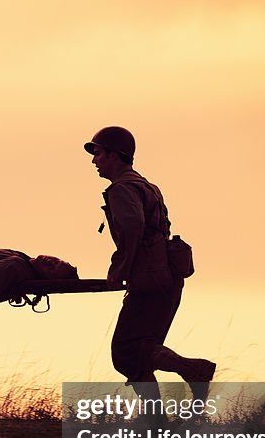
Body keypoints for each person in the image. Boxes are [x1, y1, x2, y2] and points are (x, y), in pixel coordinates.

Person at [85, 126, 216, 406]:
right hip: (163, 277)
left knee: (125, 352)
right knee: (139, 350)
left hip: (150, 279)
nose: (94, 160)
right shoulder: (145, 185)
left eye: (98, 153)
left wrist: (119, 268)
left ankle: (195, 371)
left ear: (115, 155)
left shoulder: (122, 188)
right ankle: (153, 421)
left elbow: (133, 228)